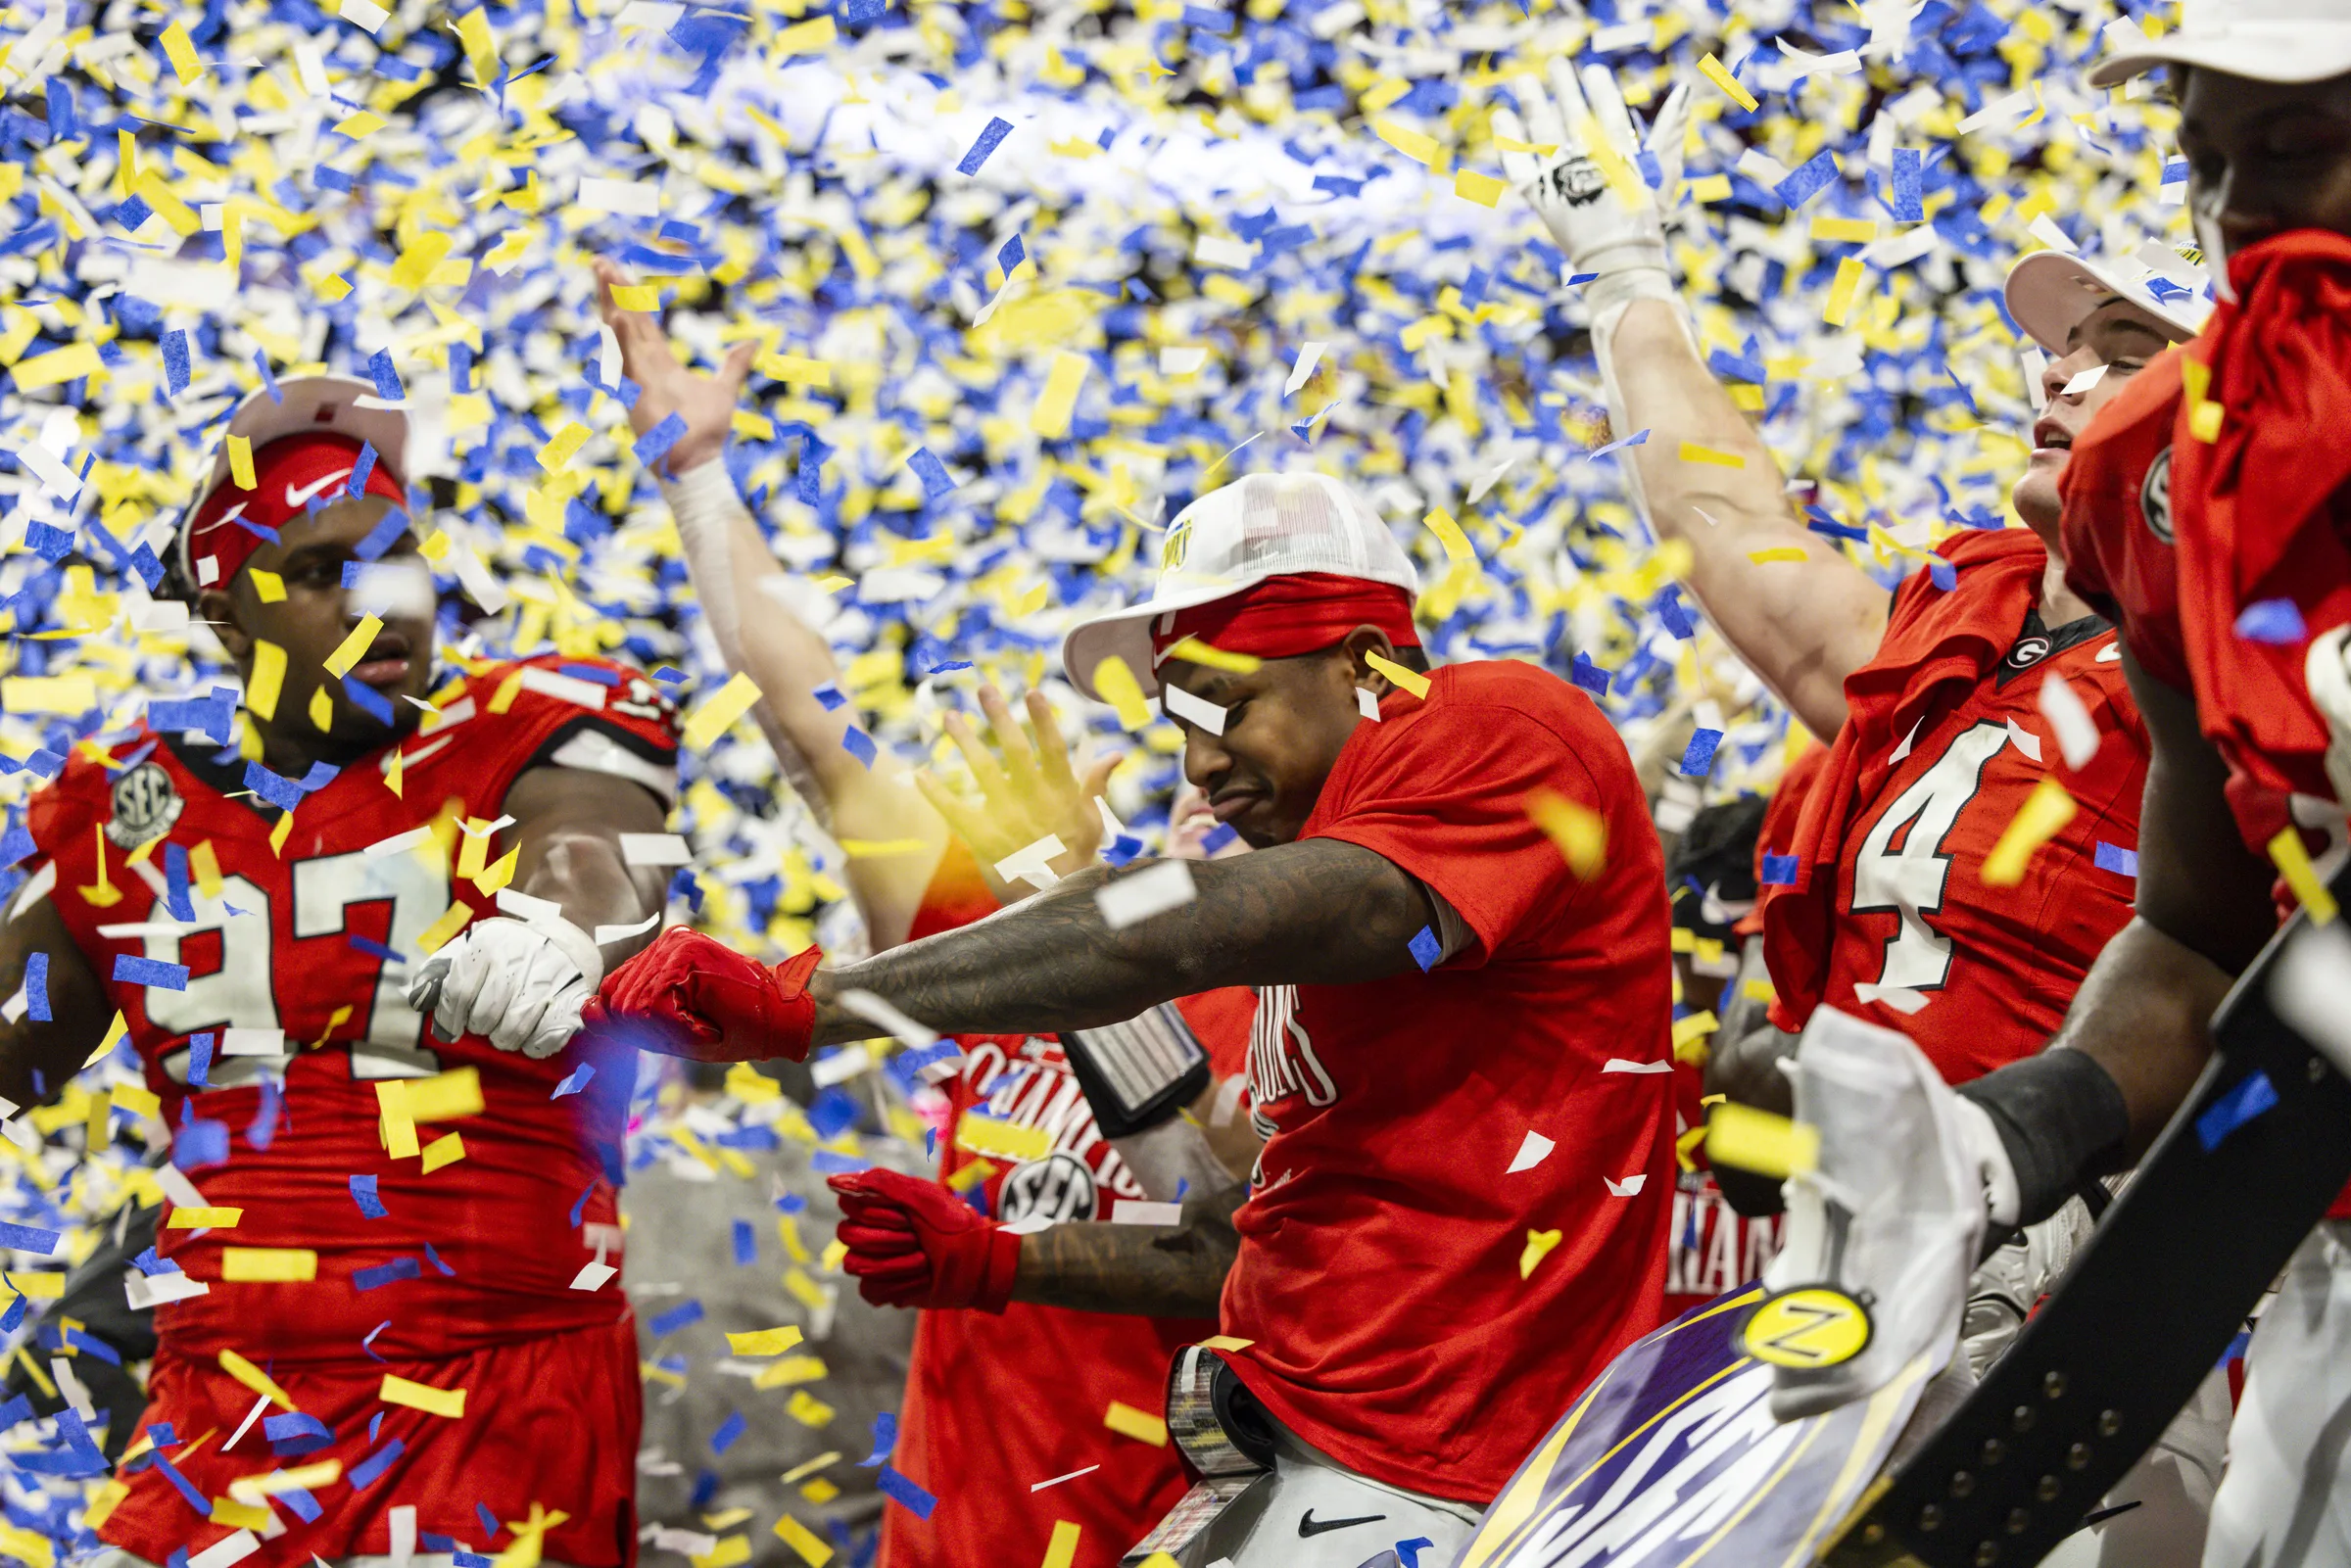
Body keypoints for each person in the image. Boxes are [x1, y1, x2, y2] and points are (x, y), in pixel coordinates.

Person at [586, 465, 1677, 1562]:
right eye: (1178, 724)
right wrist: (1002, 1262)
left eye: (1227, 706)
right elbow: (1228, 1218)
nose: (1198, 766)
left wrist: (812, 1001)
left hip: (1439, 1463)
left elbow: (1157, 930)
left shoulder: (1498, 725)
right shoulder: (1291, 929)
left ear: (1361, 663)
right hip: (1300, 1439)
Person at [1493, 63, 2231, 1557]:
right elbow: (1726, 519)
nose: (2060, 379)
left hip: (2090, 1272)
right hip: (1849, 1274)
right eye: (2062, 348)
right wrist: (1624, 273)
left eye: (2123, 351)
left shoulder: (2243, 657)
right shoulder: (1969, 616)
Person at [1751, 9, 2351, 1564]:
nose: (2241, 210)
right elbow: (2201, 928)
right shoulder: (2165, 471)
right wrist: (2016, 1129)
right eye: (2207, 160)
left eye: (2295, 147)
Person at [591, 261, 1260, 1568]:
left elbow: (1226, 1228)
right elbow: (814, 730)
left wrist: (1074, 907)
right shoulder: (1003, 930)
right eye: (1192, 736)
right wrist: (698, 478)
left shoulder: (1315, 1011)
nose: (1211, 778)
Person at [0, 376, 676, 1568]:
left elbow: (593, 850)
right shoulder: (125, 800)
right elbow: (15, 1048)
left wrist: (558, 931)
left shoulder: (536, 722)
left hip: (494, 1387)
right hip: (217, 1399)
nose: (380, 600)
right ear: (226, 617)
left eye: (396, 557)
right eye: (320, 572)